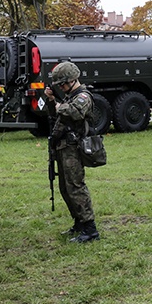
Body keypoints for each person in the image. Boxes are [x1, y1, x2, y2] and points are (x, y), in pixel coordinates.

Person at [44, 61, 100, 243]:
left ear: (73, 79)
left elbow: (75, 112)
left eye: (62, 84)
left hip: (74, 148)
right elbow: (55, 116)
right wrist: (53, 101)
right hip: (62, 147)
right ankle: (79, 223)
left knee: (76, 186)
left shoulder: (83, 96)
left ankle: (90, 229)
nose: (61, 87)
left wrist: (60, 106)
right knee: (65, 188)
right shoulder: (68, 97)